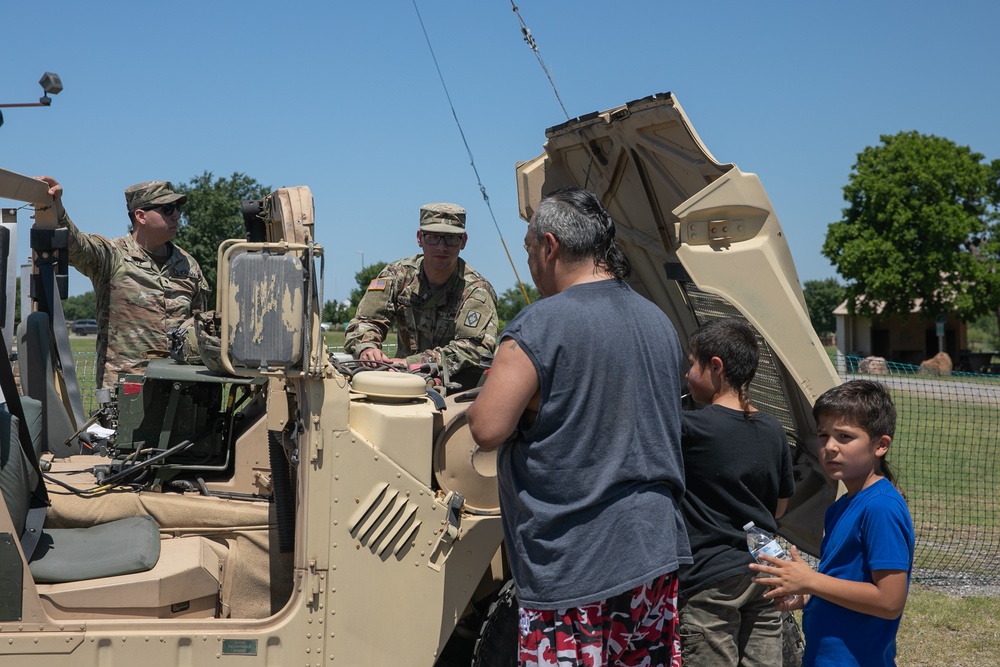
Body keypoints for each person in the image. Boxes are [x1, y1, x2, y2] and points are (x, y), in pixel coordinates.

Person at [467, 186, 690, 667]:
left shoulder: (539, 325)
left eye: (529, 251)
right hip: (652, 551)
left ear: (549, 246)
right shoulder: (659, 322)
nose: (529, 263)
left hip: (573, 562)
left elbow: (486, 427)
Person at [750, 380, 914, 666]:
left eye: (845, 437)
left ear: (881, 445)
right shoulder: (839, 508)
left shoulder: (881, 507)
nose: (830, 447)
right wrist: (806, 596)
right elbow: (844, 583)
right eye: (823, 435)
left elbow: (889, 602)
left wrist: (811, 580)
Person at [676, 317, 796, 666]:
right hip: (764, 571)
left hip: (710, 580)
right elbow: (779, 507)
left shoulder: (691, 428)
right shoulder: (773, 429)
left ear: (716, 366)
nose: (687, 375)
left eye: (691, 364)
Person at [39, 176, 209, 389]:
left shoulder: (188, 265)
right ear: (141, 216)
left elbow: (200, 328)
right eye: (167, 209)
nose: (177, 215)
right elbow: (76, 246)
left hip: (180, 389)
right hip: (126, 390)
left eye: (178, 208)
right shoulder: (112, 256)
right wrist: (56, 207)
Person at [344, 202, 498, 389]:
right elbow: (365, 321)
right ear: (419, 238)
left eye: (451, 238)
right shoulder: (397, 275)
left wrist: (409, 363)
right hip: (401, 380)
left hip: (455, 388)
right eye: (433, 237)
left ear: (463, 241)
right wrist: (367, 347)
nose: (442, 247)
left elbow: (473, 350)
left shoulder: (476, 290)